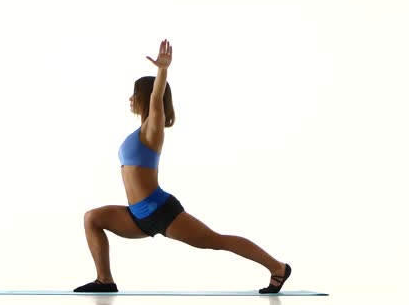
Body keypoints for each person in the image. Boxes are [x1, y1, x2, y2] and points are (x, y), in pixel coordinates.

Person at [74, 39, 291, 294]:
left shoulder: (152, 130)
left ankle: (277, 267)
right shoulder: (138, 132)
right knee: (93, 218)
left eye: (135, 93)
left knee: (215, 241)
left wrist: (162, 70)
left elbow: (157, 99)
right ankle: (105, 280)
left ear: (146, 96)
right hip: (136, 216)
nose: (130, 98)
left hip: (160, 211)